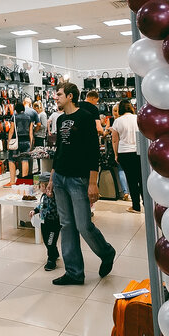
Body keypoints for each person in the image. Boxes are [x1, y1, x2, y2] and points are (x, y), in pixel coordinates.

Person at [48, 82, 115, 285]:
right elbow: (59, 150)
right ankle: (74, 273)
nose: (56, 98)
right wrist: (51, 178)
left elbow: (93, 151)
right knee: (66, 225)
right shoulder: (60, 119)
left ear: (70, 96)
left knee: (84, 225)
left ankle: (106, 252)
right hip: (60, 177)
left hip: (79, 179)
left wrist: (93, 183)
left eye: (59, 94)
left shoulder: (85, 117)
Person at [112, 100, 143, 212]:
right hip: (138, 151)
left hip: (124, 152)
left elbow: (115, 140)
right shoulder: (138, 118)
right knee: (141, 178)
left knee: (131, 180)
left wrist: (116, 154)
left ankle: (136, 206)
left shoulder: (117, 121)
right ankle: (147, 204)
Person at [31, 173, 61, 270]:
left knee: (50, 241)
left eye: (40, 185)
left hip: (54, 223)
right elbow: (41, 205)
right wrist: (35, 210)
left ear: (45, 186)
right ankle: (55, 253)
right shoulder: (43, 196)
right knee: (46, 240)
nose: (39, 187)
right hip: (44, 222)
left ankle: (51, 260)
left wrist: (52, 194)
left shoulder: (54, 196)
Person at [5, 101, 35, 186]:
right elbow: (31, 132)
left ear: (16, 110)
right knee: (25, 160)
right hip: (26, 141)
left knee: (11, 160)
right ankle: (24, 181)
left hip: (16, 142)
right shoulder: (29, 118)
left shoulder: (14, 117)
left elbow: (11, 130)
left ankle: (12, 181)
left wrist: (8, 142)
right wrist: (31, 143)